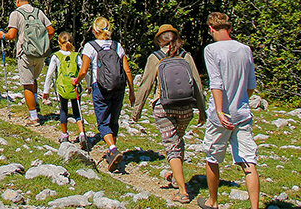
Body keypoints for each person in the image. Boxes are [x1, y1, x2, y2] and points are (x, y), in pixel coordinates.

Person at [132, 24, 206, 205]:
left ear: (159, 40)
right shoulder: (186, 56)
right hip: (186, 108)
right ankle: (175, 177)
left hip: (163, 108)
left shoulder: (155, 58)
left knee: (172, 146)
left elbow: (146, 84)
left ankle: (182, 191)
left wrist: (136, 110)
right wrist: (202, 110)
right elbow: (197, 83)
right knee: (177, 141)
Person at [198, 12, 259, 209]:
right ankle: (255, 206)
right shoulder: (245, 49)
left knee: (212, 157)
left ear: (211, 29)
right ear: (230, 28)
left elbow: (216, 82)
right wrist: (241, 101)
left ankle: (212, 201)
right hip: (242, 113)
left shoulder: (211, 50)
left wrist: (220, 110)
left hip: (220, 115)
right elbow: (251, 84)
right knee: (249, 162)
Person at [72, 16, 135, 171]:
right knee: (114, 120)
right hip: (119, 87)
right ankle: (112, 150)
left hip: (100, 87)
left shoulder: (90, 46)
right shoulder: (117, 46)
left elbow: (84, 70)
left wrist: (77, 81)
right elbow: (127, 69)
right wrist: (132, 91)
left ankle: (112, 148)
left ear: (95, 30)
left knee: (102, 121)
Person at [0, 0, 55, 125]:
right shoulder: (38, 12)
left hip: (25, 53)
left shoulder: (16, 14)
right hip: (40, 53)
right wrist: (43, 42)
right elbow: (51, 30)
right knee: (34, 79)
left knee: (27, 84)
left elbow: (12, 35)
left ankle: (33, 116)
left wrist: (2, 35)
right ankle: (35, 104)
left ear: (18, 0)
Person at [43, 32, 88, 149]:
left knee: (63, 110)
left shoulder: (56, 56)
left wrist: (45, 91)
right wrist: (89, 85)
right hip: (74, 87)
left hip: (62, 87)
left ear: (59, 42)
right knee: (77, 110)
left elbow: (50, 74)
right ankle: (82, 133)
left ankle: (64, 134)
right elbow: (83, 69)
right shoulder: (76, 55)